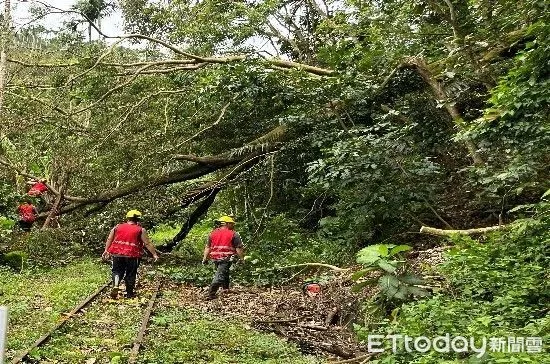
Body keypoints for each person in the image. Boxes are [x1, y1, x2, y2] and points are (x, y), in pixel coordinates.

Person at [102, 210, 159, 299]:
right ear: (138, 219)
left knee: (116, 271)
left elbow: (110, 239)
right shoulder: (141, 230)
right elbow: (147, 243)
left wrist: (106, 250)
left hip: (117, 254)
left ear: (127, 218)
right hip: (132, 255)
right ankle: (129, 294)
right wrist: (154, 254)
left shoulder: (117, 227)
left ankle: (116, 283)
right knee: (131, 274)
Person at [202, 215, 244, 300]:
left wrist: (205, 258)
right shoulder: (234, 234)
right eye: (232, 224)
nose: (233, 225)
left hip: (215, 258)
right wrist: (242, 259)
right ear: (227, 224)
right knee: (220, 276)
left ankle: (226, 289)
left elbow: (208, 247)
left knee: (225, 272)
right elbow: (238, 248)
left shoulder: (212, 233)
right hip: (225, 257)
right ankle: (211, 294)